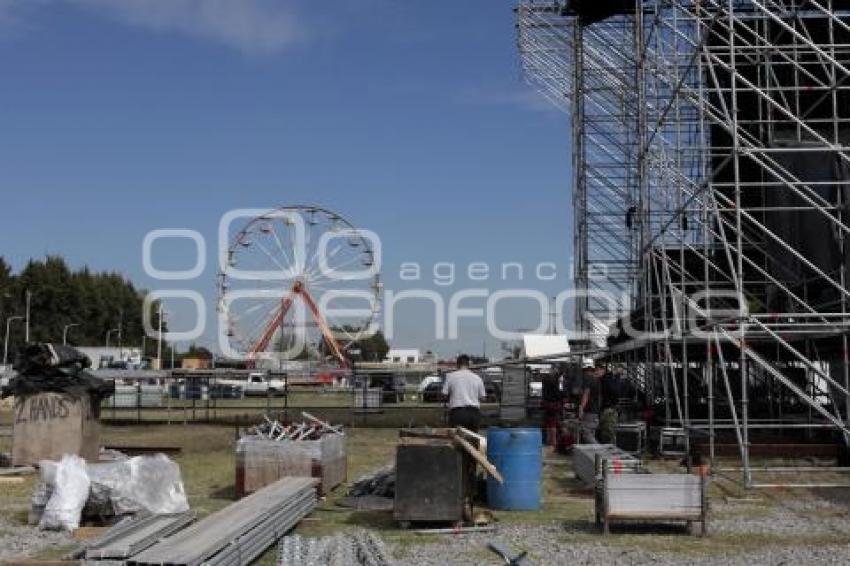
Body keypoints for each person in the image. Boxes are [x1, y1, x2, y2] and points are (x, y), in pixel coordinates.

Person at [442, 354, 486, 432]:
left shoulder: (450, 376)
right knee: (473, 440)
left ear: (457, 364)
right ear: (468, 364)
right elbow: (483, 397)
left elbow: (444, 394)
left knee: (457, 440)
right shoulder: (477, 378)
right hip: (474, 413)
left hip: (457, 413)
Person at [578, 363, 605, 444]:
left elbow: (586, 395)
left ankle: (600, 451)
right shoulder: (598, 382)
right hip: (595, 411)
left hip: (589, 411)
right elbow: (600, 398)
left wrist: (581, 408)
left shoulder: (589, 380)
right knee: (591, 433)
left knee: (586, 433)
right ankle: (595, 455)